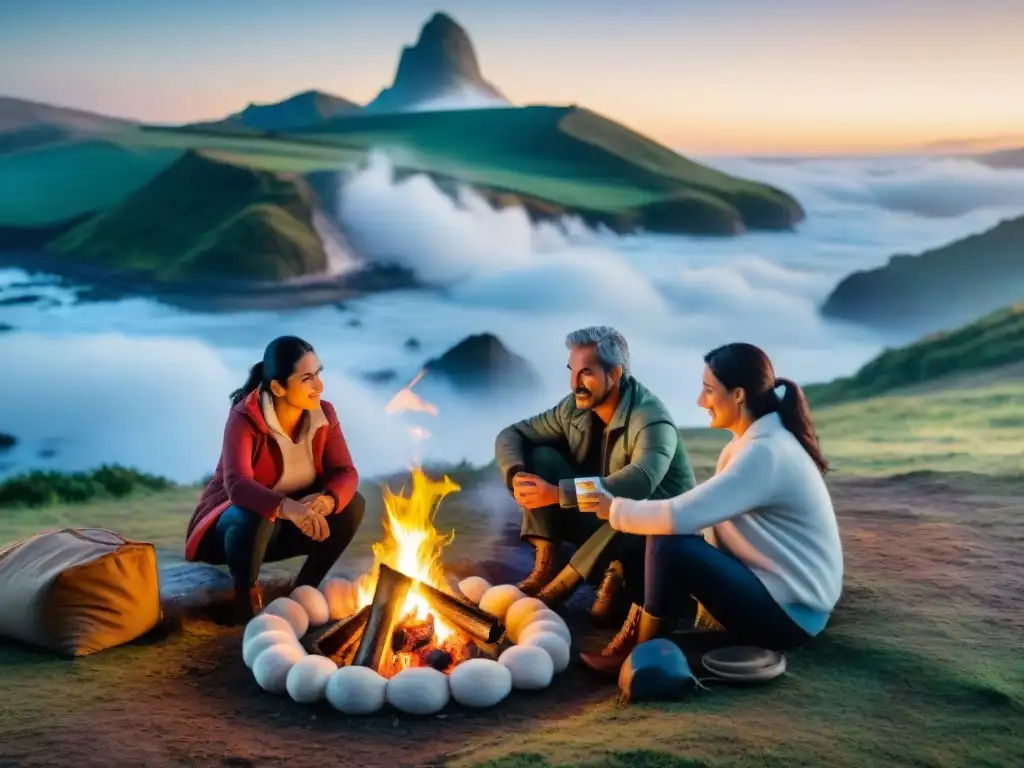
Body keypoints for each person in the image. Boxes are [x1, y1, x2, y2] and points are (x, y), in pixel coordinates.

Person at [575, 342, 844, 675]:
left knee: (667, 542)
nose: (701, 402)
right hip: (785, 594)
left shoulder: (764, 455)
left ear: (739, 395)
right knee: (659, 539)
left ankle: (641, 657)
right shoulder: (756, 444)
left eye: (708, 391)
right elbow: (698, 515)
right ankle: (643, 632)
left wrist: (612, 508)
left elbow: (678, 516)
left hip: (789, 616)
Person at [494, 326, 696, 622]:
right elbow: (512, 434)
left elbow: (636, 484)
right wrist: (516, 474)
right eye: (571, 371)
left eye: (586, 373)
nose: (575, 383)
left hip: (653, 535)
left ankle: (565, 585)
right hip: (601, 518)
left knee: (625, 505)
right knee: (541, 457)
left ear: (614, 374)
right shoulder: (573, 408)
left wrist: (555, 493)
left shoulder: (651, 419)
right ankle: (547, 565)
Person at [185, 336, 366, 622]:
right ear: (279, 387)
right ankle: (244, 600)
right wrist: (291, 509)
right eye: (307, 378)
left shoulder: (324, 413)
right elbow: (239, 486)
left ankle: (303, 593)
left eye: (318, 373)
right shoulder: (245, 417)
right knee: (253, 513)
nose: (319, 385)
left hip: (286, 530)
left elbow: (345, 472)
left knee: (351, 504)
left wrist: (325, 502)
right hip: (232, 536)